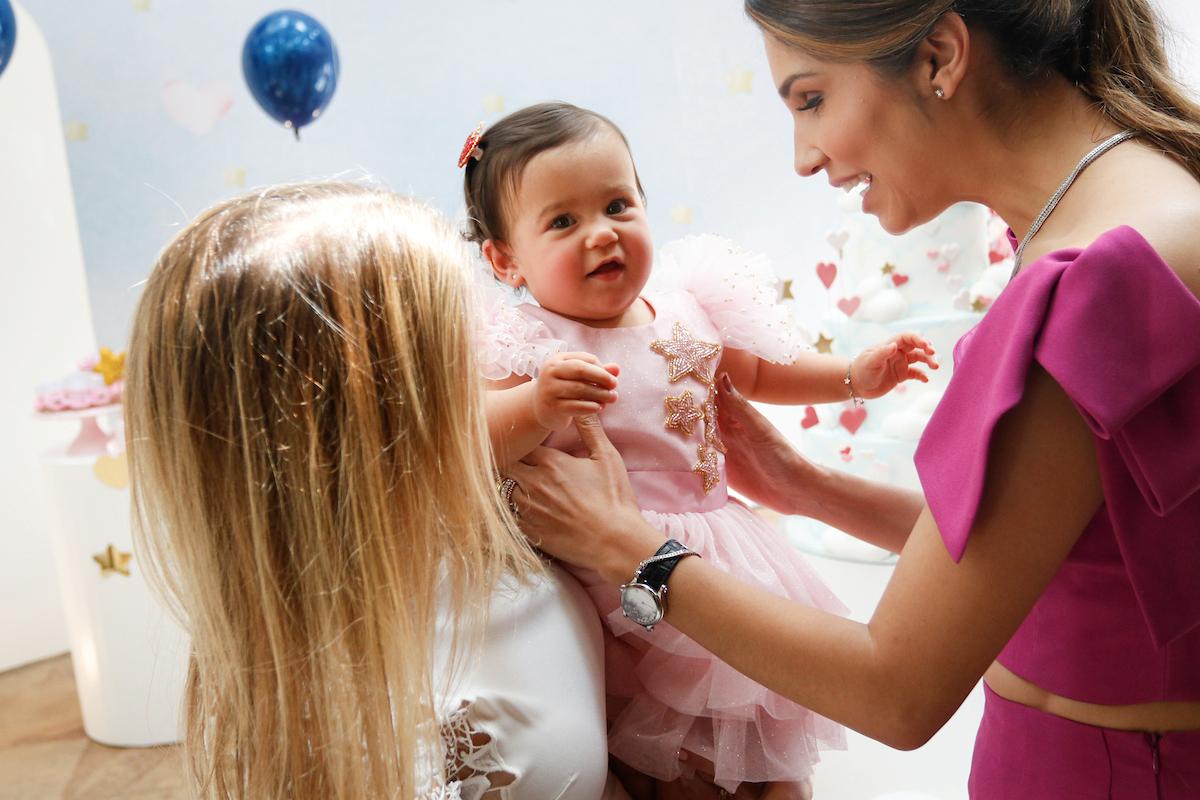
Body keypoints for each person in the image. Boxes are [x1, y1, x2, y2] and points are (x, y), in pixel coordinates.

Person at [502, 2, 1200, 797]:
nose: (804, 158)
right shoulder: (1134, 202)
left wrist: (628, 549)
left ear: (939, 56)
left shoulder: (1093, 278)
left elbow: (896, 692)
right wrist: (805, 486)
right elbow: (1053, 556)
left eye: (811, 100)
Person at [465, 102, 938, 798]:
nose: (602, 234)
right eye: (563, 222)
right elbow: (477, 437)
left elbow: (754, 374)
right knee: (644, 732)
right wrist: (534, 405)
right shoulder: (525, 340)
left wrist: (851, 377)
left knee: (757, 713)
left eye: (618, 204)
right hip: (604, 574)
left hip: (719, 548)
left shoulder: (686, 303)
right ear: (505, 259)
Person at [124, 182, 635, 800]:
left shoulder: (490, 525)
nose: (492, 379)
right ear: (368, 423)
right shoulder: (372, 713)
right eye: (456, 359)